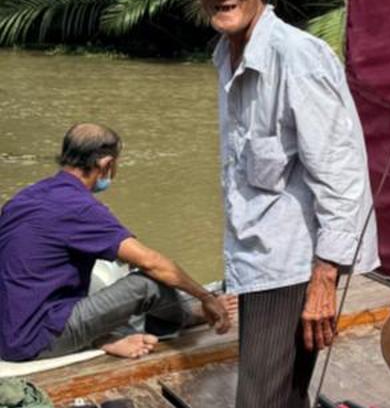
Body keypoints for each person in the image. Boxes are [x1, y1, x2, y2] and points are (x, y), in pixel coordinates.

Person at [188, 0, 378, 408]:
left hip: (291, 270)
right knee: (286, 407)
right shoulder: (226, 55)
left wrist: (324, 281)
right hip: (256, 262)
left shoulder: (298, 58)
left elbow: (342, 175)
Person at [0, 122, 232, 363]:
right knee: (147, 285)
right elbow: (152, 263)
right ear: (107, 164)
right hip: (33, 340)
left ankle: (103, 337)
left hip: (7, 332)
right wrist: (205, 297)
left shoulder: (26, 197)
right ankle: (190, 315)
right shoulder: (80, 208)